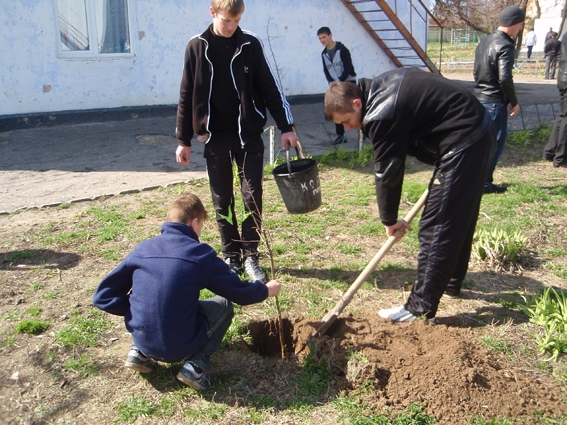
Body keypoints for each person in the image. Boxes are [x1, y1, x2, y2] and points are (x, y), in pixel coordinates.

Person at [324, 68, 496, 322]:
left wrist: (389, 219)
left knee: (436, 225)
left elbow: (388, 171)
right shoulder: (380, 87)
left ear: (357, 103)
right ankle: (450, 282)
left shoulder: (381, 112)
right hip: (477, 132)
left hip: (464, 140)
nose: (349, 128)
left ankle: (419, 307)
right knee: (458, 215)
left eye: (346, 121)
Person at [92, 193, 282, 390]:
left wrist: (136, 310)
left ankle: (139, 353)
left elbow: (102, 296)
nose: (200, 231)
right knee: (224, 306)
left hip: (142, 336)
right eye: (201, 226)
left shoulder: (143, 249)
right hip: (179, 345)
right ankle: (196, 366)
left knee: (154, 303)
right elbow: (238, 293)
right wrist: (265, 290)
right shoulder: (198, 254)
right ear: (193, 223)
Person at [175, 0, 298, 283]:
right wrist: (183, 139)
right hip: (215, 137)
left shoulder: (250, 45)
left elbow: (269, 86)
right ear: (212, 13)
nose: (232, 27)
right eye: (226, 21)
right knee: (222, 199)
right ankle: (231, 256)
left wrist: (286, 127)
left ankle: (251, 255)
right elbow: (186, 93)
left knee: (251, 197)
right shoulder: (197, 46)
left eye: (237, 21)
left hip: (249, 136)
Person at [473, 5, 525, 194]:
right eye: (520, 25)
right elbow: (504, 78)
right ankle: (484, 183)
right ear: (514, 24)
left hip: (479, 98)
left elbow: (476, 71)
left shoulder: (484, 41)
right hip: (494, 101)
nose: (520, 29)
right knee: (494, 144)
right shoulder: (505, 44)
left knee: (480, 143)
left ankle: (475, 179)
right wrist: (514, 101)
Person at [317, 26, 357, 145]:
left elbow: (348, 67)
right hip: (336, 83)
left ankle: (364, 132)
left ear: (330, 36)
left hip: (348, 81)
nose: (322, 40)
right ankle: (341, 135)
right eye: (320, 38)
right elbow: (326, 70)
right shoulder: (324, 54)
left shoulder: (342, 49)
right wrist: (331, 82)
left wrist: (340, 80)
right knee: (335, 106)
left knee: (354, 107)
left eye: (324, 37)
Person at [544, 32, 567, 168]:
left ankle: (550, 151)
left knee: (562, 116)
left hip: (563, 77)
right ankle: (561, 157)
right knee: (565, 118)